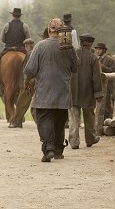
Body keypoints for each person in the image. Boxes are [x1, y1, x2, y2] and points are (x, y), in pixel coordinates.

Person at [23, 18, 77, 162]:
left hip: (44, 93)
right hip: (63, 93)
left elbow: (29, 69)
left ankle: (48, 149)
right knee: (59, 121)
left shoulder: (40, 46)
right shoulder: (69, 47)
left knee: (44, 118)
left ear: (49, 29)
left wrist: (27, 82)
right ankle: (58, 150)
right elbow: (75, 67)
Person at [68, 33, 103, 149]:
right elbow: (96, 79)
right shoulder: (93, 58)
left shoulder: (72, 55)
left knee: (74, 117)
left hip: (73, 92)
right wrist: (98, 94)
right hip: (87, 92)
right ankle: (90, 139)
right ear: (90, 44)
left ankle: (74, 142)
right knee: (89, 117)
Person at [0, 8, 30, 89]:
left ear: (12, 15)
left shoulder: (7, 25)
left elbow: (2, 39)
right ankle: (30, 81)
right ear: (20, 16)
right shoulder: (25, 26)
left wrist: (9, 42)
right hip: (21, 49)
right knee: (31, 61)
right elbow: (28, 40)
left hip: (8, 48)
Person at [9, 38, 36, 128]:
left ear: (27, 46)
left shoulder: (29, 54)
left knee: (21, 102)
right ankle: (18, 121)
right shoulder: (36, 52)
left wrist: (26, 83)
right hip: (37, 82)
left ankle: (17, 122)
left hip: (29, 83)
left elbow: (28, 69)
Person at [94, 42, 115, 119]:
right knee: (99, 104)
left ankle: (110, 120)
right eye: (96, 49)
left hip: (108, 86)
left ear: (103, 50)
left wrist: (102, 66)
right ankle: (101, 120)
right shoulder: (96, 59)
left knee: (108, 104)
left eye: (99, 49)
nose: (97, 51)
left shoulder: (109, 59)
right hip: (99, 85)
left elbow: (112, 70)